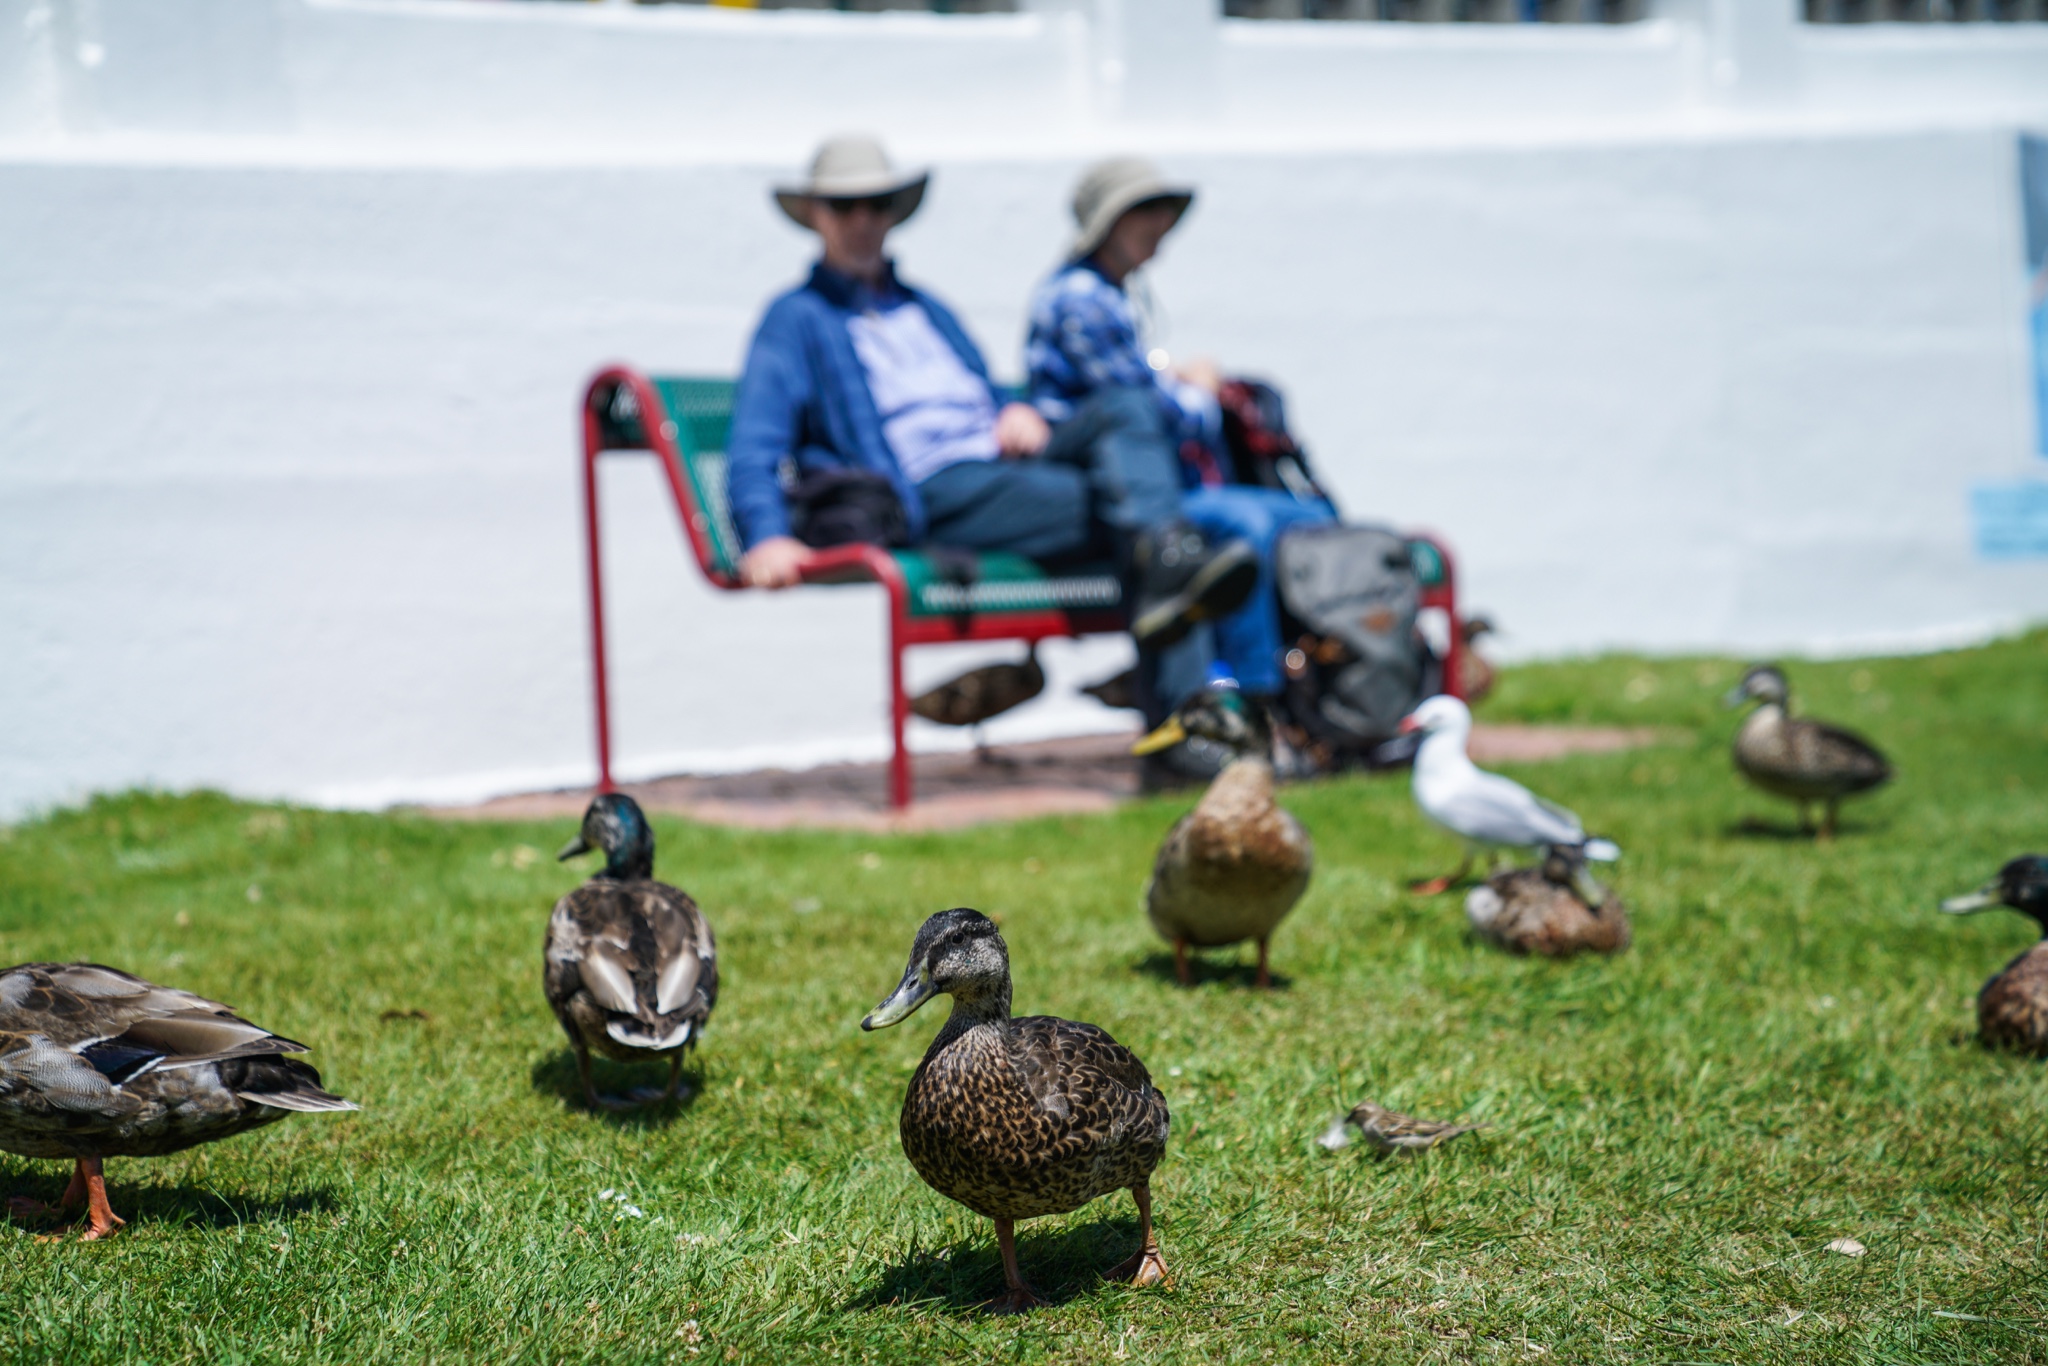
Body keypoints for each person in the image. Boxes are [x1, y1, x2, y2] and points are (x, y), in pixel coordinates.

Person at [725, 136, 1258, 703]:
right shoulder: (796, 318)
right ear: (814, 215)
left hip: (1006, 463)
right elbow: (756, 439)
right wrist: (766, 536)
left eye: (877, 206)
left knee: (1127, 411)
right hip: (930, 484)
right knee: (1153, 522)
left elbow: (979, 391)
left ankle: (1176, 600)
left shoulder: (924, 306)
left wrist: (1013, 408)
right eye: (844, 207)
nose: (863, 221)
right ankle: (1190, 718)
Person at [1025, 158, 1336, 707]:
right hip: (1126, 495)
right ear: (1109, 221)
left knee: (1315, 520)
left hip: (1168, 484)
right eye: (1144, 210)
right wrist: (1198, 390)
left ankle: (1332, 688)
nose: (1160, 224)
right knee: (1244, 530)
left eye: (1164, 210)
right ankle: (1258, 701)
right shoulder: (1081, 299)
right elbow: (1143, 413)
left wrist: (1180, 385)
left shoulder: (1113, 296)